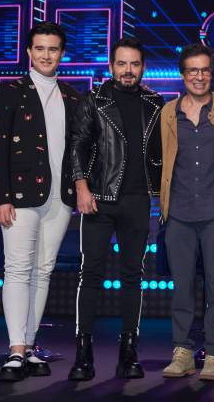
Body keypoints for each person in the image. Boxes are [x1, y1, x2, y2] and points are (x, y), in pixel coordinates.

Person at [68, 37, 164, 380]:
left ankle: (128, 352)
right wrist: (81, 186)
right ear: (111, 67)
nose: (128, 70)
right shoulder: (93, 100)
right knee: (90, 274)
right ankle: (83, 353)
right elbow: (77, 144)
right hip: (99, 199)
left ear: (142, 67)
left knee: (132, 277)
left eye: (134, 64)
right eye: (121, 64)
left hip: (139, 201)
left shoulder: (155, 102)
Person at [0, 21, 80, 381]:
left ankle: (29, 345)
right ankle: (14, 350)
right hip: (21, 196)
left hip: (60, 197)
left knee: (43, 271)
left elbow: (76, 149)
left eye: (53, 49)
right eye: (39, 48)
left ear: (61, 53)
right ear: (29, 52)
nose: (46, 55)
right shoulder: (9, 92)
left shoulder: (73, 97)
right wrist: (1, 196)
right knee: (17, 268)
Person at [159, 43, 214, 382]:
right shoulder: (167, 113)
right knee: (182, 287)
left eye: (204, 70)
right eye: (192, 70)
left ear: (212, 73)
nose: (199, 76)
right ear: (182, 75)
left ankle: (213, 354)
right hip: (178, 212)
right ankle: (181, 351)